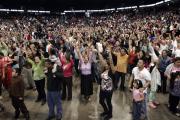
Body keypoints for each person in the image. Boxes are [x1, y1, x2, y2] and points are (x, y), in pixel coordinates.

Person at [98, 46, 114, 120]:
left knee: (108, 102)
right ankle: (106, 111)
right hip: (102, 89)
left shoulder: (112, 71)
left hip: (109, 90)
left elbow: (110, 61)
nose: (106, 65)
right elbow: (101, 59)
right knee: (101, 101)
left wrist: (110, 53)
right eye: (106, 64)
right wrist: (98, 50)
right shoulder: (103, 69)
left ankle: (110, 114)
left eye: (108, 64)